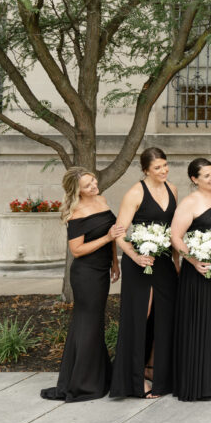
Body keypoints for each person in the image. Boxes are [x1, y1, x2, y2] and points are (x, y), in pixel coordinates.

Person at [41, 168, 123, 401]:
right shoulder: (76, 211)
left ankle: (93, 377)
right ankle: (81, 384)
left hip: (101, 271)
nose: (94, 186)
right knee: (87, 325)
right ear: (77, 190)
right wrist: (107, 238)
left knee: (92, 324)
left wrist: (114, 263)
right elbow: (77, 250)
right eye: (88, 185)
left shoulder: (102, 199)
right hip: (86, 274)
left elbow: (113, 232)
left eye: (93, 181)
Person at [110, 147, 178, 399]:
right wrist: (136, 256)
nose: (163, 170)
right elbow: (119, 233)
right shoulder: (135, 192)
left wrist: (177, 262)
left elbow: (172, 230)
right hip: (139, 264)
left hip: (163, 263)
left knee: (164, 317)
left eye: (165, 165)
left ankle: (156, 373)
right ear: (146, 170)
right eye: (157, 167)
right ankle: (134, 380)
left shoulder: (173, 189)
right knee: (141, 316)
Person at [170, 158, 211, 401]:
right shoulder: (189, 203)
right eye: (206, 175)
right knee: (202, 324)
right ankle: (200, 383)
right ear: (194, 179)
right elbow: (175, 237)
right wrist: (193, 260)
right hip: (198, 271)